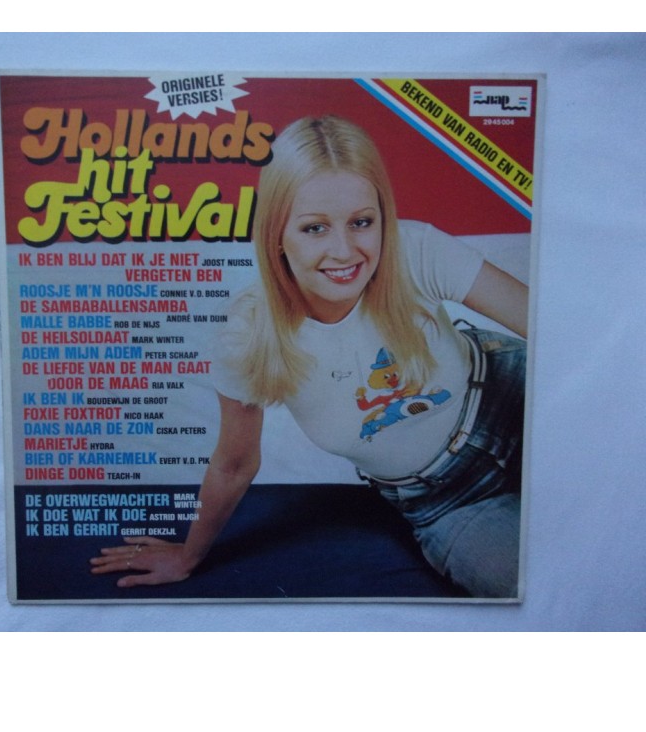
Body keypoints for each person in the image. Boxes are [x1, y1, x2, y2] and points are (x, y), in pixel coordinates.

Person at [90, 116, 528, 598]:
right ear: (276, 234)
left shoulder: (414, 250)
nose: (344, 251)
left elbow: (553, 330)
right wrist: (188, 556)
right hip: (449, 502)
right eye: (315, 228)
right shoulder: (246, 336)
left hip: (515, 395)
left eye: (362, 222)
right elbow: (234, 465)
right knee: (529, 581)